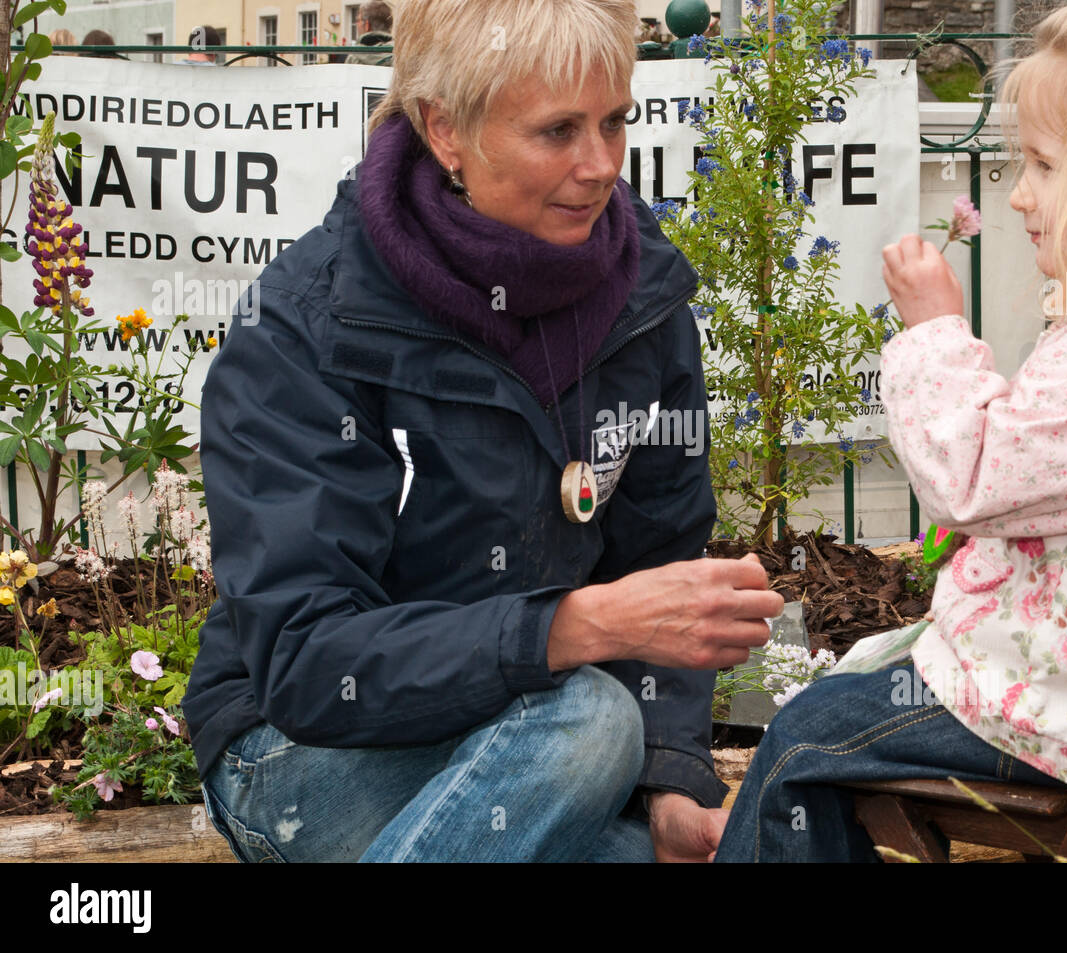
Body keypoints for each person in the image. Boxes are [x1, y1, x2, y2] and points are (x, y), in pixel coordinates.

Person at [181, 0, 783, 863]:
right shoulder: (304, 324)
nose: (600, 164)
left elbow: (662, 565)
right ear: (445, 128)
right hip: (296, 751)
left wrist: (670, 782)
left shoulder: (643, 296)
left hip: (538, 745)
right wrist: (569, 628)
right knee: (592, 719)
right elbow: (308, 662)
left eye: (615, 121)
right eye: (557, 131)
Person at [716, 0, 1067, 862]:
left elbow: (970, 476)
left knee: (802, 739)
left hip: (1063, 708)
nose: (1018, 194)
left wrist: (932, 331)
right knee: (859, 678)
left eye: (1042, 165)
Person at [346, 1, 393, 65]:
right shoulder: (399, 53)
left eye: (358, 20)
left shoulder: (354, 58)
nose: (357, 24)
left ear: (367, 25)